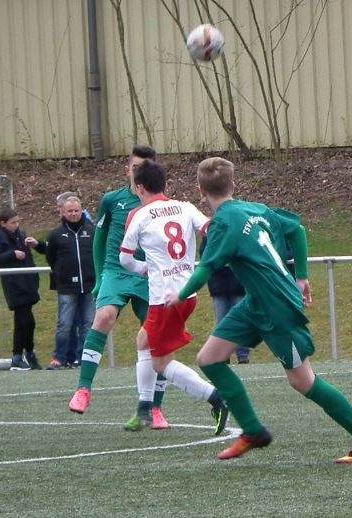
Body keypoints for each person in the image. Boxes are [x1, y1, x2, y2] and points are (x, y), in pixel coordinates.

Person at [166, 157, 352, 463]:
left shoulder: (222, 224)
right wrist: (302, 276)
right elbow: (297, 230)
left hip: (278, 306)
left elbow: (206, 268)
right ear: (233, 185)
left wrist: (180, 294)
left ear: (201, 191)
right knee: (209, 359)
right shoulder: (256, 209)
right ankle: (253, 431)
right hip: (256, 303)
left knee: (302, 381)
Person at [119, 160, 228, 434]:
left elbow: (125, 259)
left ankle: (216, 397)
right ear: (165, 184)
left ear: (139, 188)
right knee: (143, 340)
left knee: (161, 363)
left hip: (164, 299)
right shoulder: (185, 207)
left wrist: (144, 268)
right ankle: (145, 407)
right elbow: (211, 229)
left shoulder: (139, 215)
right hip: (187, 292)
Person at [68, 145, 171, 432]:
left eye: (145, 167)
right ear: (127, 170)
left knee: (156, 337)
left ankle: (154, 408)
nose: (139, 172)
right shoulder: (112, 200)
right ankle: (83, 389)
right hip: (116, 270)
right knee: (104, 316)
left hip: (148, 275)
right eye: (135, 167)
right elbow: (99, 240)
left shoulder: (162, 204)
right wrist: (100, 277)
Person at [0, 207, 47, 371]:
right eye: (12, 222)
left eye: (17, 222)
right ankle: (23, 355)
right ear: (3, 223)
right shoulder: (0, 237)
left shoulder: (21, 234)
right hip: (14, 285)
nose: (16, 225)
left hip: (27, 283)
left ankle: (23, 355)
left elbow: (30, 255)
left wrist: (31, 244)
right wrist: (12, 254)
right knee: (25, 321)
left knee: (25, 322)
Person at [45, 195, 96, 369]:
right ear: (63, 212)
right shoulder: (56, 235)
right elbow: (50, 258)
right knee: (65, 324)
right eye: (70, 211)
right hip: (67, 287)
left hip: (89, 286)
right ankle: (59, 358)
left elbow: (99, 254)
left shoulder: (92, 232)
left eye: (76, 210)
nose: (73, 214)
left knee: (88, 324)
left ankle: (85, 358)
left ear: (81, 211)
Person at [199, 236, 249, 364]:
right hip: (218, 287)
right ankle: (223, 355)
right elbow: (205, 254)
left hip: (239, 285)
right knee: (221, 323)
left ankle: (242, 355)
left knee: (241, 321)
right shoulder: (210, 234)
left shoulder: (239, 231)